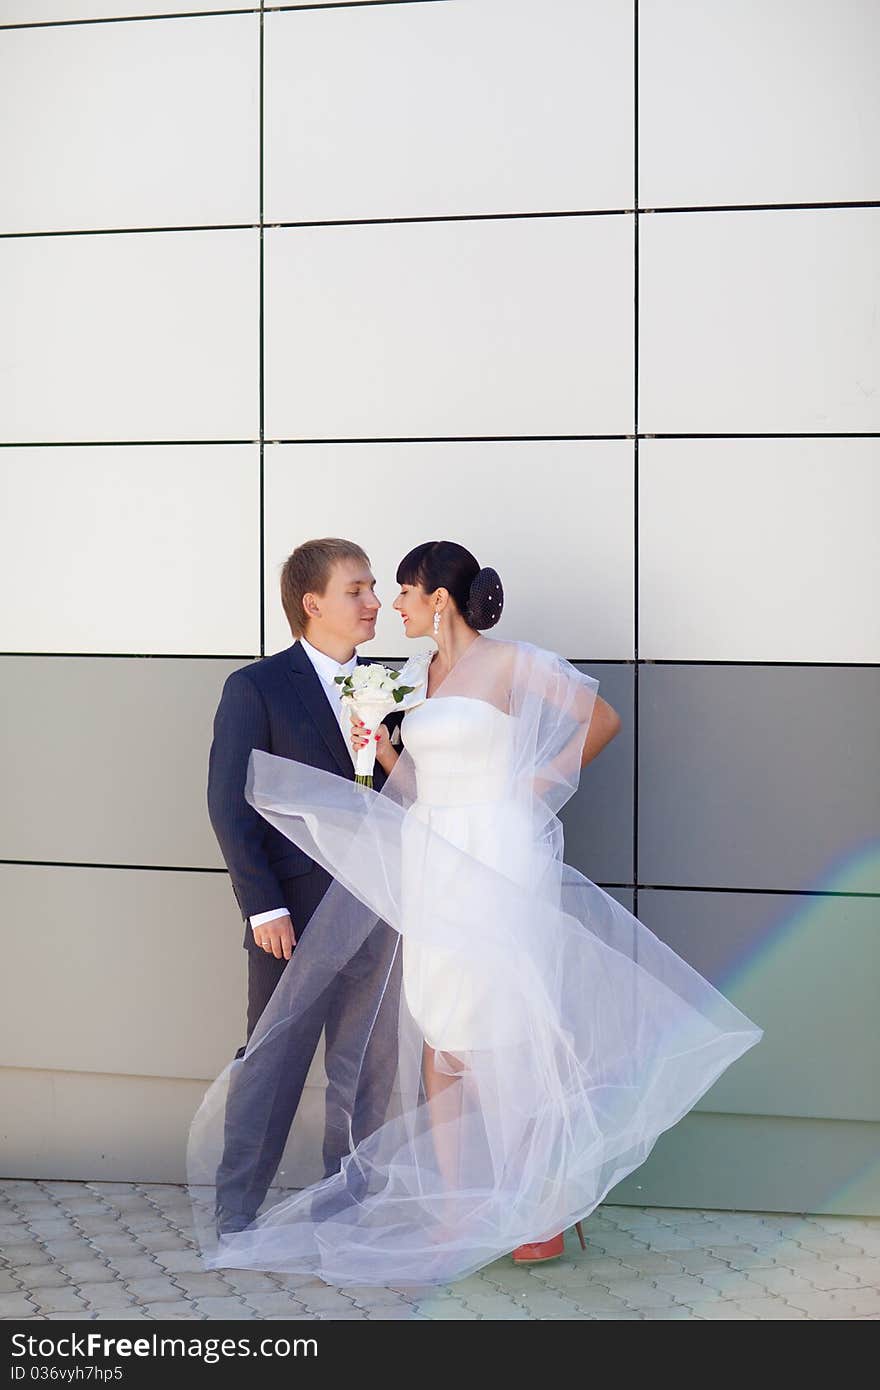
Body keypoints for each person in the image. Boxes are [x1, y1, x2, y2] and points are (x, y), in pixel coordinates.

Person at [188, 541, 763, 1285]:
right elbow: (409, 781)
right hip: (428, 858)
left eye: (397, 591)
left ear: (438, 598)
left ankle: (538, 1202)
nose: (386, 605)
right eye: (367, 590)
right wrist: (381, 755)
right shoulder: (410, 678)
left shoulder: (511, 661)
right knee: (442, 1030)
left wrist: (529, 790)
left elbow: (601, 720)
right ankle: (456, 1208)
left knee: (504, 1024)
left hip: (494, 852)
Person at [203, 537, 403, 1236]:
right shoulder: (255, 687)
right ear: (312, 602)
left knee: (366, 1065)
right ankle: (236, 1208)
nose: (374, 602)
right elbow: (231, 804)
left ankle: (349, 1202)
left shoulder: (383, 684)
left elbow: (391, 797)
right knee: (273, 1059)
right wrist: (264, 906)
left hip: (376, 908)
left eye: (375, 588)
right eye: (357, 590)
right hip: (292, 916)